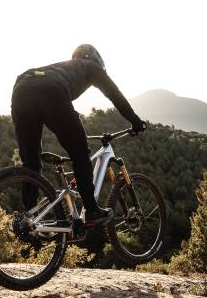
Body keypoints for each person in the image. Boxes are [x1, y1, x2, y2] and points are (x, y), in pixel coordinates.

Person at [11, 44, 148, 225]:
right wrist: (136, 122)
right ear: (96, 59)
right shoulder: (92, 67)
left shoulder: (61, 66)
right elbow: (116, 95)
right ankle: (91, 210)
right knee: (80, 153)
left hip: (22, 87)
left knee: (31, 163)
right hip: (51, 90)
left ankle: (28, 219)